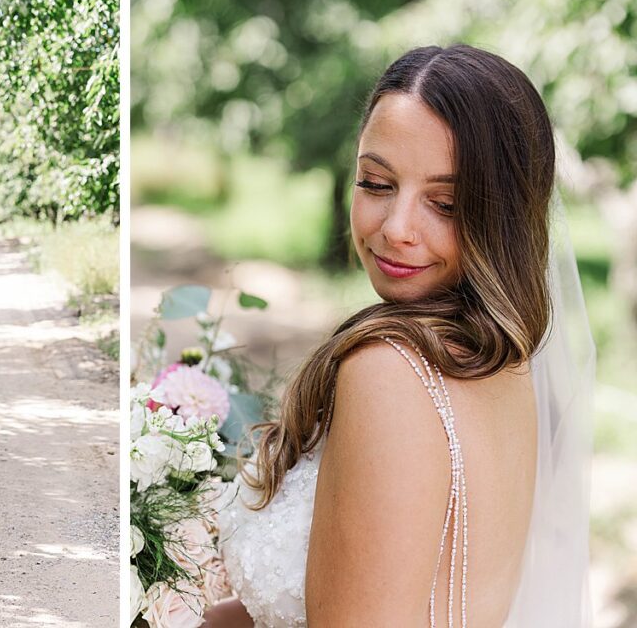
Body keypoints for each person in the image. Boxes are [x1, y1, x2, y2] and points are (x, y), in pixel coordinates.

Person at [204, 45, 594, 627]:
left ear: (503, 216)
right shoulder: (507, 366)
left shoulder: (390, 373)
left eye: (445, 203)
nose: (397, 229)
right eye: (376, 183)